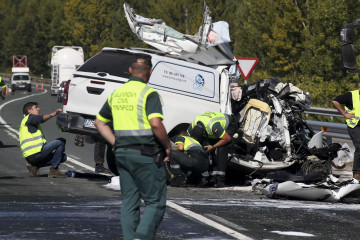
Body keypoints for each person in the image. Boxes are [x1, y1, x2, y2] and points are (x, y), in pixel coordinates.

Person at [95, 56, 171, 240]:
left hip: (122, 154)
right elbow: (155, 123)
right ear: (150, 72)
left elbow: (99, 122)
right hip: (145, 154)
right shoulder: (148, 93)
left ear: (130, 71)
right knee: (155, 202)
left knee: (129, 201)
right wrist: (167, 146)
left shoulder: (116, 93)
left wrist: (115, 143)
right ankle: (143, 237)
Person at [187, 111, 238, 187]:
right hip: (212, 127)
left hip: (230, 125)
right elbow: (189, 140)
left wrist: (213, 146)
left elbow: (226, 138)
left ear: (204, 133)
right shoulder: (192, 126)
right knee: (205, 145)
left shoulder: (213, 126)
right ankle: (212, 177)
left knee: (222, 147)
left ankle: (220, 180)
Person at [19, 102, 67, 178]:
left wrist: (52, 150)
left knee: (63, 157)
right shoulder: (30, 117)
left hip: (31, 157)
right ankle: (54, 170)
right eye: (36, 107)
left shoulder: (28, 122)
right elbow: (41, 119)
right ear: (29, 111)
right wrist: (53, 114)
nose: (39, 109)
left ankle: (35, 167)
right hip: (35, 153)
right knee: (61, 141)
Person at [333, 81, 360, 180]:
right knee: (359, 146)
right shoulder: (351, 95)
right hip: (355, 126)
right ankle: (356, 173)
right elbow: (335, 101)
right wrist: (345, 114)